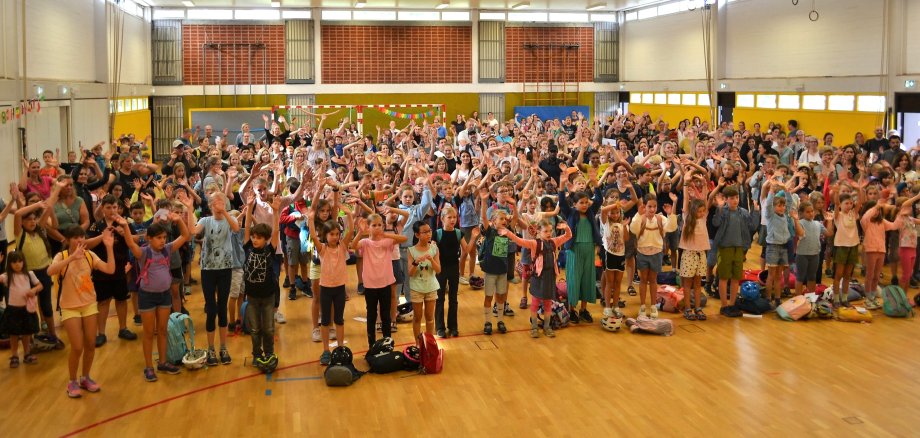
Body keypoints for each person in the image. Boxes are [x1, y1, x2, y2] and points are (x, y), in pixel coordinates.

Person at [121, 209, 191, 382]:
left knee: (162, 331)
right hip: (147, 296)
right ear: (149, 239)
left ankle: (163, 362)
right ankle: (149, 367)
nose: (163, 241)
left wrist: (178, 219)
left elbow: (185, 235)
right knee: (148, 333)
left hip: (164, 296)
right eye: (159, 238)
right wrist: (124, 226)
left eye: (164, 237)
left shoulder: (167, 249)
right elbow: (131, 244)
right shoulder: (144, 253)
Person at [47, 225, 116, 399]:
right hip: (69, 307)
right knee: (77, 347)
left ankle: (85, 377)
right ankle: (72, 381)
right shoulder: (61, 256)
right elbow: (50, 271)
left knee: (90, 344)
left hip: (89, 304)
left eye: (82, 237)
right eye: (76, 237)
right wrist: (71, 258)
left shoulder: (89, 255)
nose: (80, 240)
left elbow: (110, 269)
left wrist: (109, 247)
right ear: (68, 240)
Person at [188, 192, 240, 366]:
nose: (220, 203)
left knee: (222, 307)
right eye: (216, 201)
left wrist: (225, 212)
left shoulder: (229, 218)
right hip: (208, 270)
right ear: (210, 205)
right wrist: (189, 208)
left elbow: (236, 229)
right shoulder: (205, 221)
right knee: (211, 309)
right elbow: (192, 231)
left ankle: (223, 347)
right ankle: (211, 348)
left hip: (225, 269)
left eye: (222, 200)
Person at [500, 220, 572, 338]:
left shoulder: (554, 242)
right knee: (535, 303)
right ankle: (534, 327)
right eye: (545, 231)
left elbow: (568, 235)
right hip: (538, 278)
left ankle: (547, 327)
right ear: (539, 232)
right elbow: (519, 241)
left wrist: (566, 227)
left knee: (548, 303)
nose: (549, 233)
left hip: (550, 277)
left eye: (550, 231)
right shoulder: (534, 243)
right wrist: (508, 233)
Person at [85, 195, 137, 347]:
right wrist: (103, 236)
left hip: (120, 267)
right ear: (102, 208)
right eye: (108, 207)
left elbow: (136, 240)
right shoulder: (96, 226)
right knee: (103, 301)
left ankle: (123, 328)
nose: (112, 210)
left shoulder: (124, 223)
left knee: (121, 299)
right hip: (101, 268)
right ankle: (101, 333)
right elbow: (87, 244)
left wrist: (124, 232)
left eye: (115, 207)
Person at [308, 201, 354, 365]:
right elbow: (313, 235)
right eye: (331, 234)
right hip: (326, 289)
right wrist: (310, 219)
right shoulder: (322, 249)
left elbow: (350, 231)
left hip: (339, 288)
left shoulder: (342, 247)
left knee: (339, 320)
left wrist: (349, 214)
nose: (335, 236)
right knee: (326, 320)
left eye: (336, 234)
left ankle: (340, 347)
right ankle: (326, 350)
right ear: (325, 236)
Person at [352, 214, 407, 347]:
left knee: (385, 314)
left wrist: (386, 235)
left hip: (385, 283)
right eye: (374, 225)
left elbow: (403, 238)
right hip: (370, 284)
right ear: (369, 227)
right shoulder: (365, 243)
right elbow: (353, 245)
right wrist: (360, 232)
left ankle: (387, 342)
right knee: (371, 314)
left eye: (379, 225)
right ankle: (371, 344)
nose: (377, 228)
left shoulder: (387, 241)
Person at [242, 194, 283, 370]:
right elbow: (246, 228)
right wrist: (249, 207)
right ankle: (257, 355)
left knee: (268, 329)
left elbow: (275, 232)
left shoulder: (269, 250)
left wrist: (275, 212)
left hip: (267, 297)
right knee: (255, 329)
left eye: (258, 237)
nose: (254, 240)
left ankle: (269, 353)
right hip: (251, 297)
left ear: (265, 239)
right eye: (253, 237)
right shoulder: (248, 247)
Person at [711, 186, 760, 317]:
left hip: (739, 248)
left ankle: (732, 304)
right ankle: (724, 305)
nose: (735, 200)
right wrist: (720, 208)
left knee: (736, 278)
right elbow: (715, 223)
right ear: (726, 200)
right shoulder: (723, 211)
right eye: (732, 198)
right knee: (723, 277)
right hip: (725, 248)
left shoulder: (743, 212)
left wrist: (756, 211)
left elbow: (753, 226)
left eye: (737, 197)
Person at [629, 193, 679, 319]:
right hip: (642, 253)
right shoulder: (640, 218)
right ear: (644, 206)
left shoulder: (661, 219)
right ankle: (642, 306)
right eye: (649, 206)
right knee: (643, 280)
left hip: (656, 253)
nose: (652, 209)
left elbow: (672, 227)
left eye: (654, 206)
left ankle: (652, 306)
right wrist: (638, 215)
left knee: (653, 280)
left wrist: (670, 213)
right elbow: (633, 229)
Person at [0, 251, 42, 368]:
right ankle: (14, 355)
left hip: (26, 310)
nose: (18, 264)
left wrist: (34, 290)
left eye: (20, 261)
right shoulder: (7, 276)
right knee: (13, 334)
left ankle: (27, 353)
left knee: (26, 333)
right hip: (13, 310)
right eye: (14, 262)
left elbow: (40, 285)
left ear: (24, 262)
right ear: (9, 264)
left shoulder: (29, 274)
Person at [407, 222, 441, 343]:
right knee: (417, 317)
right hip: (416, 288)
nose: (428, 234)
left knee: (430, 317)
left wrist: (432, 260)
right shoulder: (411, 250)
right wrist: (416, 263)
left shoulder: (434, 249)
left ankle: (430, 343)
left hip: (431, 287)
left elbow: (438, 270)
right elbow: (410, 273)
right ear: (417, 234)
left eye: (429, 231)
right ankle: (417, 343)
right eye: (425, 232)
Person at [792, 201, 834, 297]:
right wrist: (796, 220)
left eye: (812, 211)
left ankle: (811, 298)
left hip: (815, 254)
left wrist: (830, 221)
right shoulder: (800, 223)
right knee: (800, 277)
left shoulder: (817, 224)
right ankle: (798, 298)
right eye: (808, 212)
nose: (811, 213)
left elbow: (829, 233)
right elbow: (801, 234)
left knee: (812, 277)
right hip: (802, 254)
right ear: (802, 213)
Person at [599, 190, 629, 319]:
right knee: (609, 283)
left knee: (618, 283)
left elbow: (626, 239)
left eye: (618, 212)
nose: (615, 214)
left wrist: (625, 227)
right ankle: (607, 307)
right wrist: (616, 204)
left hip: (620, 255)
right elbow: (603, 210)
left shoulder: (621, 224)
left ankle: (616, 305)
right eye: (613, 212)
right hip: (609, 254)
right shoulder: (605, 222)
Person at [433, 206, 461, 338]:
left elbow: (466, 250)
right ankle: (440, 327)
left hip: (454, 268)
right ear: (442, 219)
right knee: (439, 298)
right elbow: (432, 251)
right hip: (440, 269)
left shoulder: (458, 233)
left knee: (453, 299)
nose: (452, 220)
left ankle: (453, 326)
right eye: (449, 217)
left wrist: (473, 238)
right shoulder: (437, 233)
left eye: (454, 217)